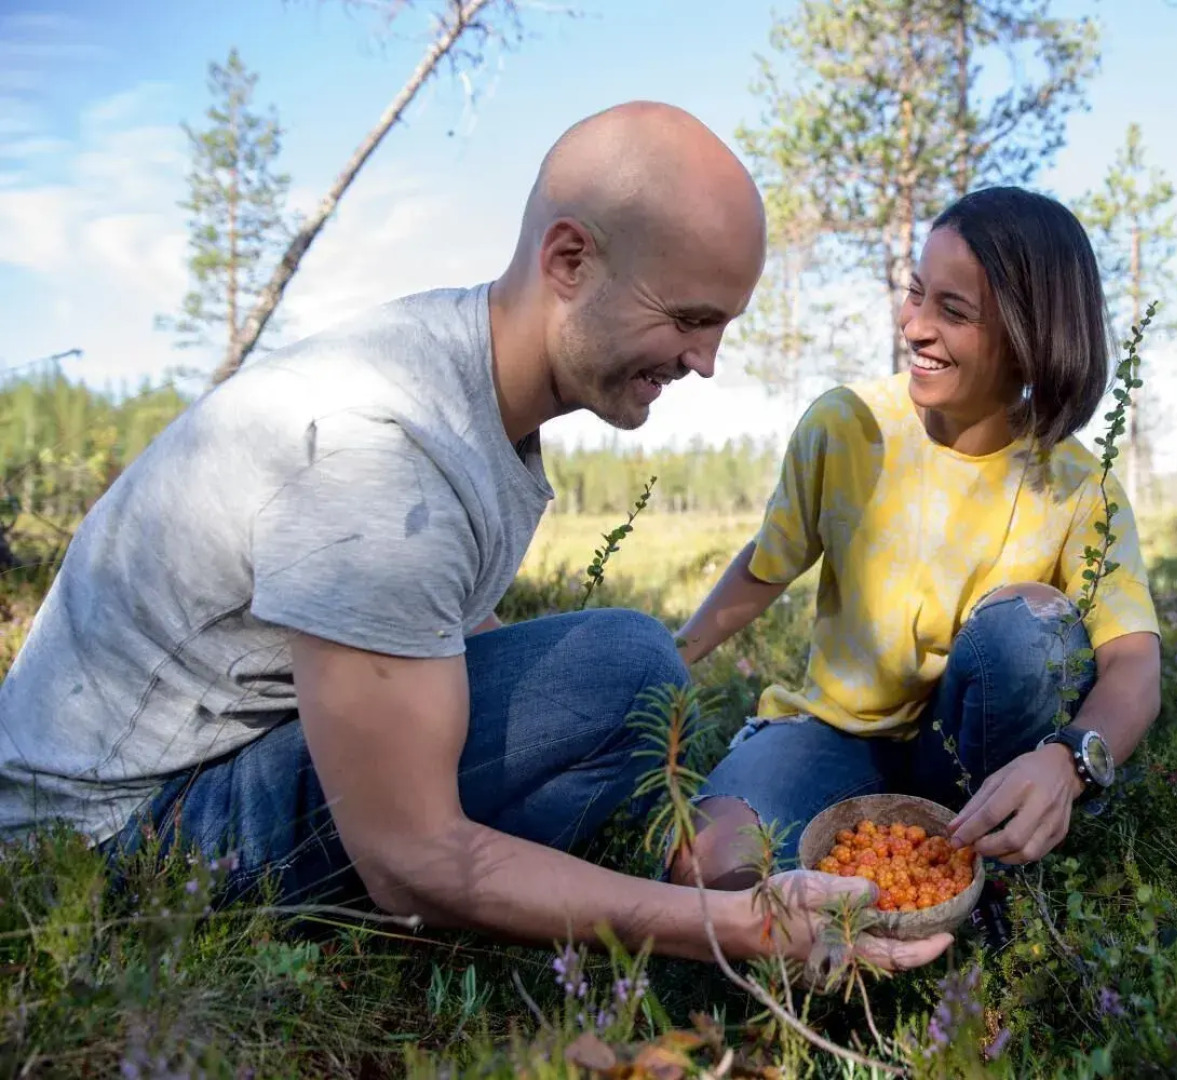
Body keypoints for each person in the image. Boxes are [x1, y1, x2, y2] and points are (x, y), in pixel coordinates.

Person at [0, 101, 951, 974]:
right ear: (569, 260)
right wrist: (729, 927)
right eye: (689, 320)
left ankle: (461, 902)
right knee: (626, 668)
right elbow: (412, 856)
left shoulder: (462, 382)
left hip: (199, 773)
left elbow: (438, 633)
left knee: (630, 691)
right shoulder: (385, 458)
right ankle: (397, 921)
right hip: (105, 848)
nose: (704, 362)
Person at [672, 186, 1163, 895]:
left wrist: (1068, 764)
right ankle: (904, 883)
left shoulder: (1081, 487)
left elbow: (1134, 667)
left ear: (1031, 340)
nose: (915, 325)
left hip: (968, 761)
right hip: (829, 735)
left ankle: (982, 868)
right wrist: (672, 659)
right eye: (916, 293)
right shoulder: (847, 427)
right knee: (712, 872)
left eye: (952, 311)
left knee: (1033, 627)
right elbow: (766, 565)